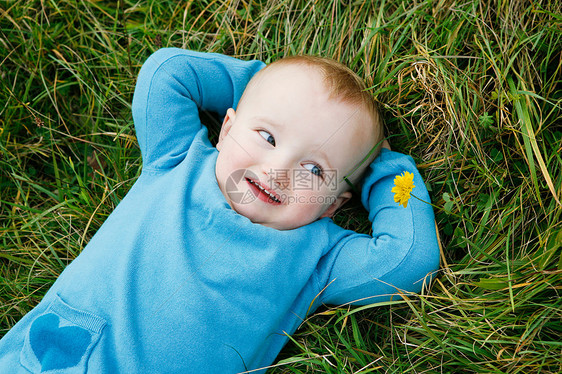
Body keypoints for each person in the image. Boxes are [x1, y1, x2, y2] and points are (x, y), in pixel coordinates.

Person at [0, 48, 439, 373]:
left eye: (313, 169)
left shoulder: (318, 256)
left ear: (334, 205)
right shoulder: (177, 160)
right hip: (54, 358)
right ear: (226, 128)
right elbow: (167, 72)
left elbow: (408, 260)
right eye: (267, 136)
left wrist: (387, 169)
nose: (277, 170)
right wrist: (262, 85)